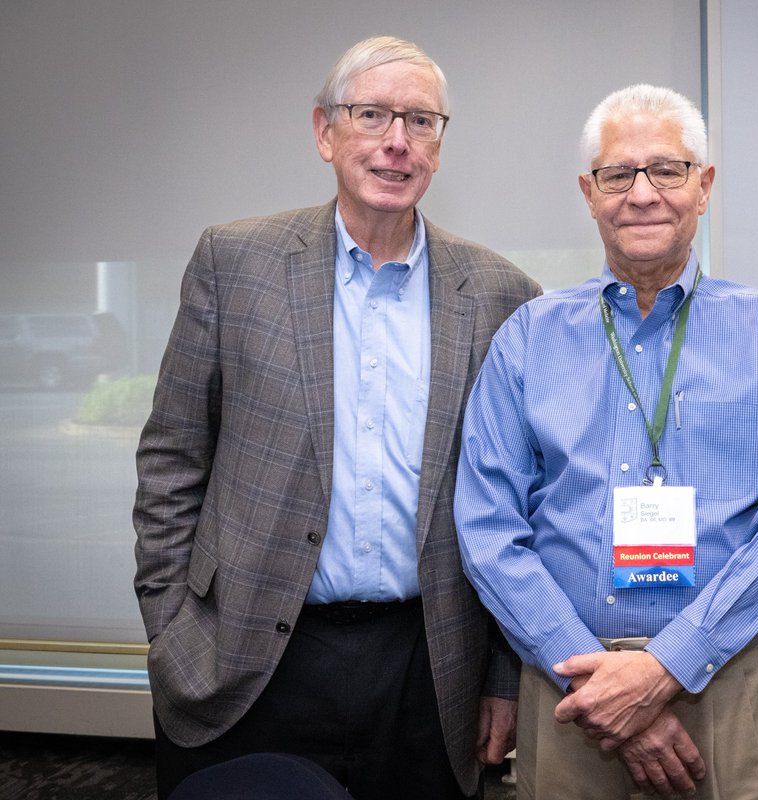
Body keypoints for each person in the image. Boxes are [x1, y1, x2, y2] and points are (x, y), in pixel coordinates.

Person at [133, 36, 540, 800]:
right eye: (373, 114)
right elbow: (172, 458)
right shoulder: (234, 262)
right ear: (325, 133)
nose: (397, 141)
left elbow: (518, 501)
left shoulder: (500, 293)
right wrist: (172, 633)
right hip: (251, 660)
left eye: (421, 121)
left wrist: (502, 676)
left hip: (428, 669)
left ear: (440, 146)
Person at [453, 84, 758, 800]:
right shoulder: (527, 341)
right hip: (570, 684)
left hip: (732, 678)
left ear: (704, 185)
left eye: (668, 169)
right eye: (619, 174)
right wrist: (590, 674)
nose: (643, 193)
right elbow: (487, 529)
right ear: (590, 193)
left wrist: (665, 668)